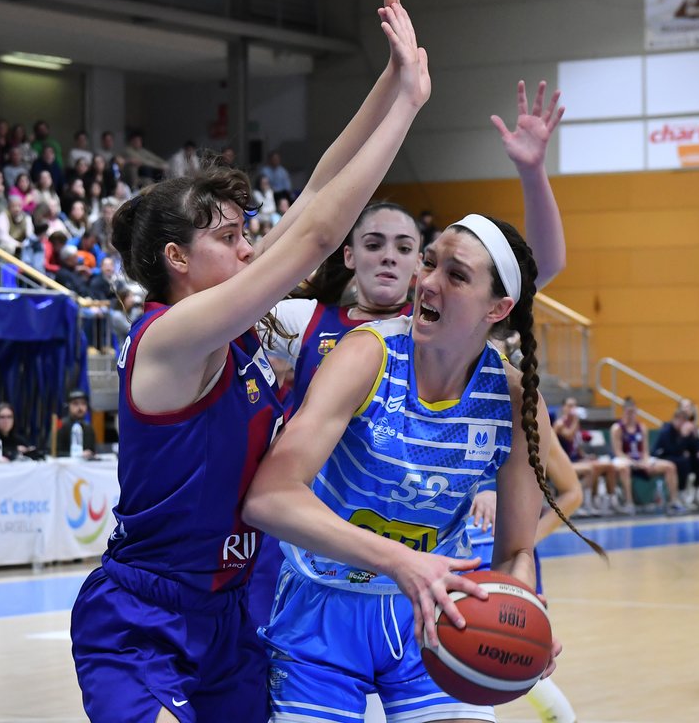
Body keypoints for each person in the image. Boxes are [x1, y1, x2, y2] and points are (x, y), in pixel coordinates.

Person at [69, 0, 430, 723]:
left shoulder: (232, 326)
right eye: (230, 237)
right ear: (176, 258)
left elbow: (319, 189)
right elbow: (319, 235)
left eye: (246, 235)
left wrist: (395, 79)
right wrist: (410, 109)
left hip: (236, 608)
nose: (247, 249)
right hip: (145, 619)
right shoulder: (170, 338)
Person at [244, 211, 597, 723]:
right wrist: (402, 562)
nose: (427, 282)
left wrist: (520, 608)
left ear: (498, 308)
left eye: (456, 275)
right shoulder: (366, 355)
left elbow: (515, 551)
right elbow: (269, 498)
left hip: (437, 615)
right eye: (429, 263)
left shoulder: (515, 400)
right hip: (321, 609)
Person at [466, 433, 585, 723]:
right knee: (466, 666)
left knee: (512, 663)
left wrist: (528, 538)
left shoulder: (530, 419)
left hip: (507, 564)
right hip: (449, 560)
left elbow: (573, 493)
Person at [610, 398, 683, 515]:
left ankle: (673, 502)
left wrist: (645, 461)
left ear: (636, 412)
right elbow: (618, 452)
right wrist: (634, 463)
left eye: (633, 412)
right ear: (623, 412)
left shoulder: (642, 427)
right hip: (625, 460)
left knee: (670, 466)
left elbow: (645, 450)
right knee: (624, 468)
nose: (631, 415)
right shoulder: (617, 428)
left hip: (640, 460)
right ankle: (629, 503)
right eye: (628, 412)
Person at [56, 389, 98, 459]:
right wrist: (77, 455)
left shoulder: (89, 427)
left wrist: (90, 454)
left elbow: (92, 451)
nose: (80, 407)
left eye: (83, 404)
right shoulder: (60, 424)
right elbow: (53, 451)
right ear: (68, 406)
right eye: (75, 404)